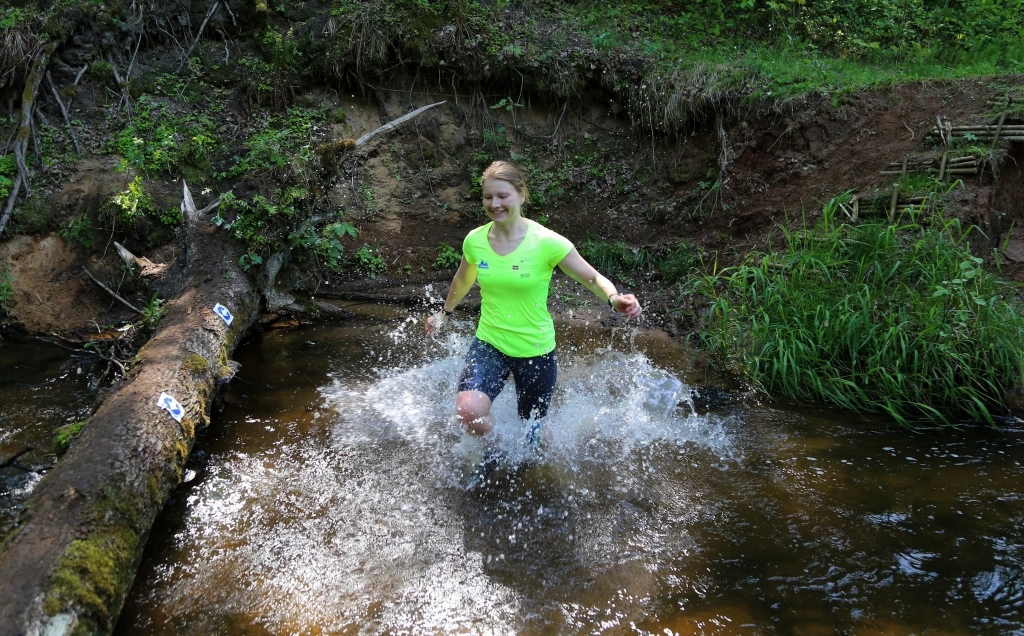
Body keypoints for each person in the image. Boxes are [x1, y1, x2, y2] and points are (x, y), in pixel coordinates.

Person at [425, 160, 642, 448]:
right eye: (488, 197)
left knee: (534, 432)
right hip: (490, 341)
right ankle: (498, 448)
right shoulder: (475, 240)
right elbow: (462, 280)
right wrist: (445, 312)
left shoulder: (546, 242)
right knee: (468, 411)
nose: (495, 203)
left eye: (503, 196)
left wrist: (615, 299)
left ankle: (539, 465)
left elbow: (591, 278)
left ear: (521, 195)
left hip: (535, 350)